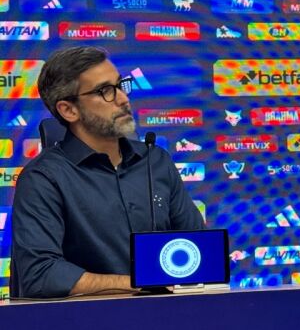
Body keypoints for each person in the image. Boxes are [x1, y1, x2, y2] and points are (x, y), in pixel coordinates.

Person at [12, 47, 204, 298]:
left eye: (120, 85)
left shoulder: (155, 160)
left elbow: (199, 248)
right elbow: (41, 274)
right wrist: (138, 283)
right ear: (69, 110)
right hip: (86, 325)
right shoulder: (44, 178)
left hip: (170, 318)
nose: (123, 99)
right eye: (105, 91)